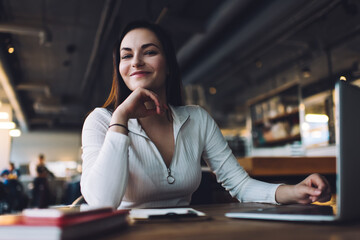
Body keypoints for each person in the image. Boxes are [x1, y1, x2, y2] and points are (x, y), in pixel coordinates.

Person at [80, 20, 331, 209]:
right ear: (120, 69)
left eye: (149, 52)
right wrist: (121, 117)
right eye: (126, 55)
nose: (135, 62)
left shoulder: (196, 119)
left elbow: (240, 185)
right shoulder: (101, 121)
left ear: (168, 66)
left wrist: (295, 190)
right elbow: (102, 203)